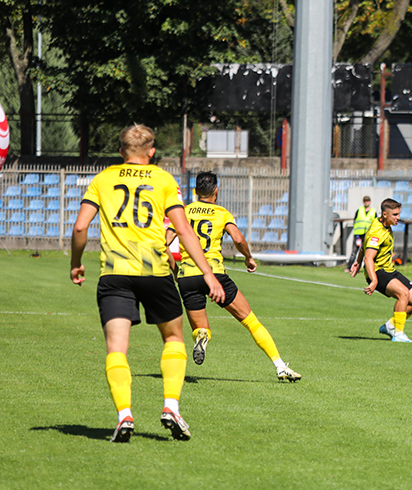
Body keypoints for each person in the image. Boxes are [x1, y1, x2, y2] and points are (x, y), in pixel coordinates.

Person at [69, 124, 226, 443]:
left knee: (117, 348)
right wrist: (208, 273)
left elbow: (80, 227)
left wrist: (76, 263)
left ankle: (124, 415)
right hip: (155, 273)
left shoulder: (103, 179)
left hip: (114, 275)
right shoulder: (163, 180)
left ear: (121, 150)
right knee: (173, 338)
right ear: (151, 151)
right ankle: (171, 407)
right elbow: (183, 231)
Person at [164, 172, 301, 382]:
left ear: (195, 191)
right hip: (215, 275)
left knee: (201, 328)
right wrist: (248, 257)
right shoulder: (222, 213)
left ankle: (201, 337)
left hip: (188, 276)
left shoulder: (182, 212)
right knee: (250, 321)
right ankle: (280, 366)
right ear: (216, 191)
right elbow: (237, 238)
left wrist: (175, 269)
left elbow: (165, 242)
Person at [350, 198, 412, 343]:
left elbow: (364, 243)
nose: (398, 218)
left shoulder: (381, 224)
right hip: (377, 271)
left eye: (398, 214)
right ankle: (398, 333)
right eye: (395, 215)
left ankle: (390, 326)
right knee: (403, 293)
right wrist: (373, 280)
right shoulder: (377, 232)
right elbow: (369, 258)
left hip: (389, 269)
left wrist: (357, 261)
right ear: (385, 214)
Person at [345, 195, 376, 271]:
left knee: (367, 252)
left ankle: (366, 268)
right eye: (365, 201)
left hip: (368, 234)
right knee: (355, 251)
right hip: (358, 233)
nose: (366, 202)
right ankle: (349, 267)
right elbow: (355, 221)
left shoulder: (373, 211)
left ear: (370, 202)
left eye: (368, 201)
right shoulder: (359, 210)